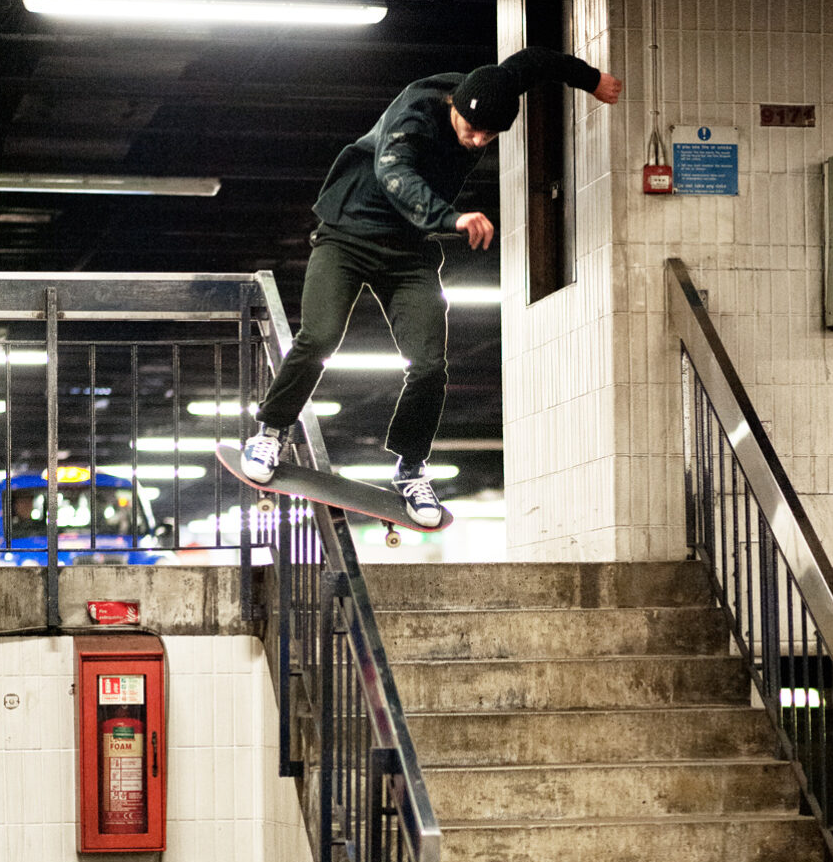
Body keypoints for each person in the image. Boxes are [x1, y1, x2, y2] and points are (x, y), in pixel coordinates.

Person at [240, 47, 622, 525]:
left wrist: (589, 79)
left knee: (429, 365)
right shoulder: (414, 113)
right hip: (346, 236)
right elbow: (394, 174)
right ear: (453, 107)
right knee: (320, 337)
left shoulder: (490, 86)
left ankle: (410, 466)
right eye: (471, 129)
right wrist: (452, 216)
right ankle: (271, 431)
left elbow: (534, 63)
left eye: (490, 136)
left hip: (409, 253)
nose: (478, 141)